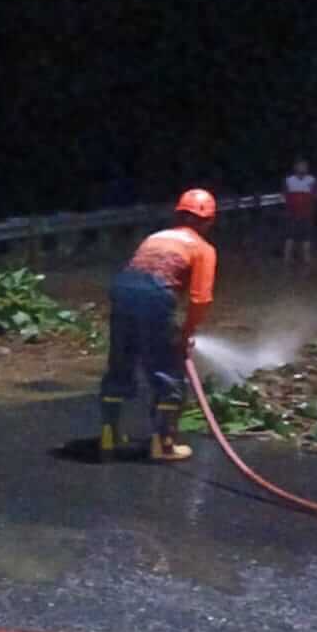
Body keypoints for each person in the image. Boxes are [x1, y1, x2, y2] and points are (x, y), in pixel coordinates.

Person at [98, 188, 218, 462]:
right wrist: (185, 333)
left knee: (120, 364)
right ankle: (163, 443)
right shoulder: (202, 248)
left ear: (178, 215)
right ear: (209, 221)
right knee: (167, 371)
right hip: (156, 294)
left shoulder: (156, 236)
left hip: (123, 289)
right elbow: (201, 299)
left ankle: (109, 435)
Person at [283, 158, 316, 265]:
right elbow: (286, 196)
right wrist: (288, 210)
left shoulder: (311, 180)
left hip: (306, 214)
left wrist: (310, 210)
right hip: (293, 214)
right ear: (295, 167)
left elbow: (313, 195)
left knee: (307, 237)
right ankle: (287, 258)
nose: (303, 168)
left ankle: (307, 258)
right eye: (301, 165)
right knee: (290, 236)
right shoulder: (289, 180)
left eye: (305, 166)